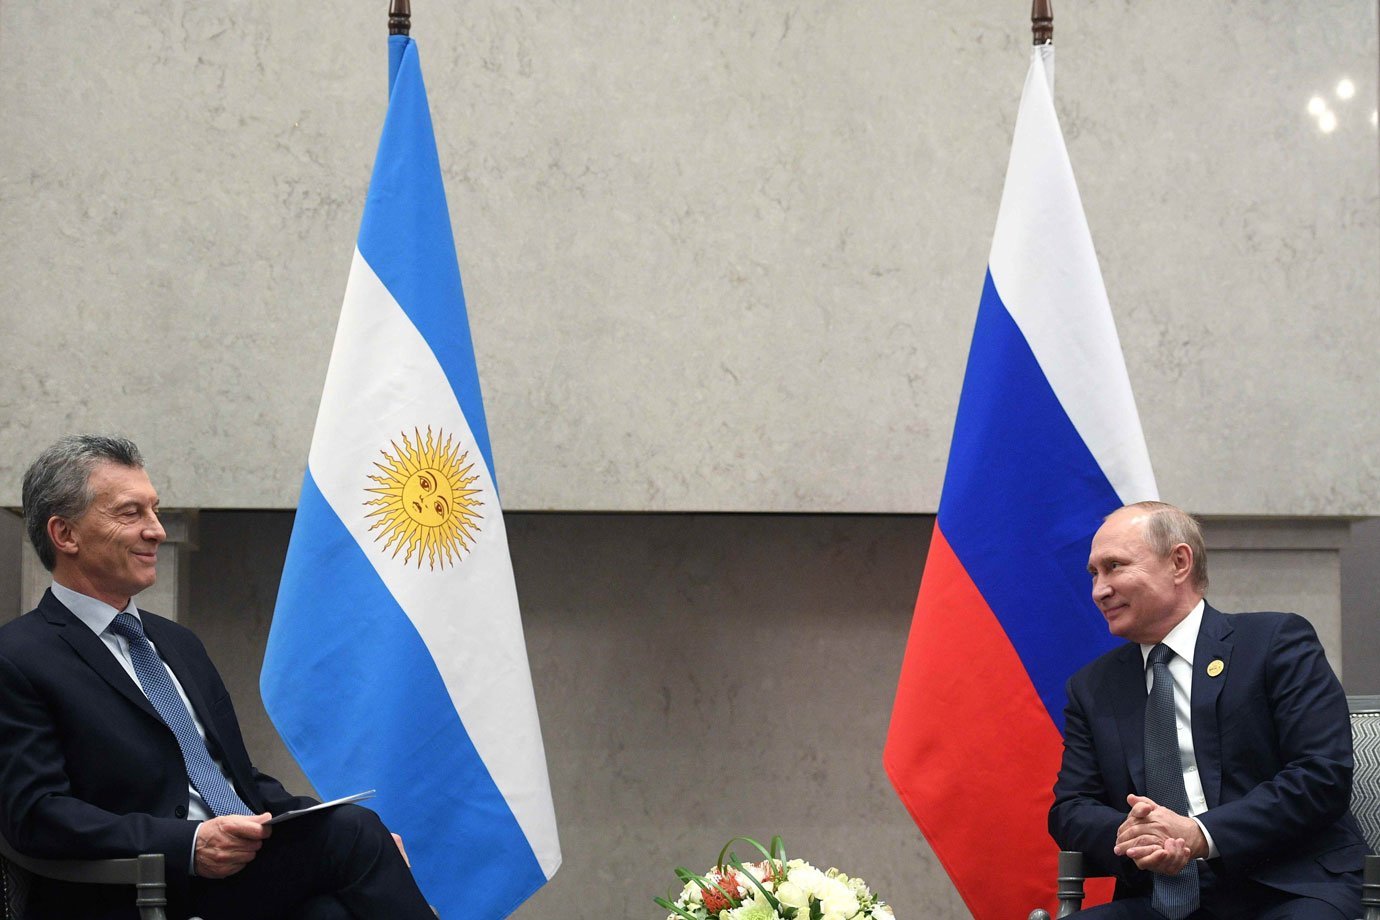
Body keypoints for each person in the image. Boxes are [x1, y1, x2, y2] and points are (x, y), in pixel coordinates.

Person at [0, 435, 438, 920]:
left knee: (336, 901)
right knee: (354, 833)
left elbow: (238, 779)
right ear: (65, 534)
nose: (156, 530)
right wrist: (187, 843)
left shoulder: (177, 643)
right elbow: (36, 814)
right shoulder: (17, 657)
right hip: (140, 884)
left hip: (242, 873)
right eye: (131, 513)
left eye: (154, 510)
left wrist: (333, 829)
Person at [1050, 501, 1368, 919]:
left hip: (1292, 887)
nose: (1099, 590)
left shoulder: (1274, 643)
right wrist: (1138, 837)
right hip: (1164, 899)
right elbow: (1071, 808)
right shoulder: (1093, 687)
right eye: (1094, 573)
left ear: (1179, 563)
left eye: (1114, 567)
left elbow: (1320, 775)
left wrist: (1200, 834)